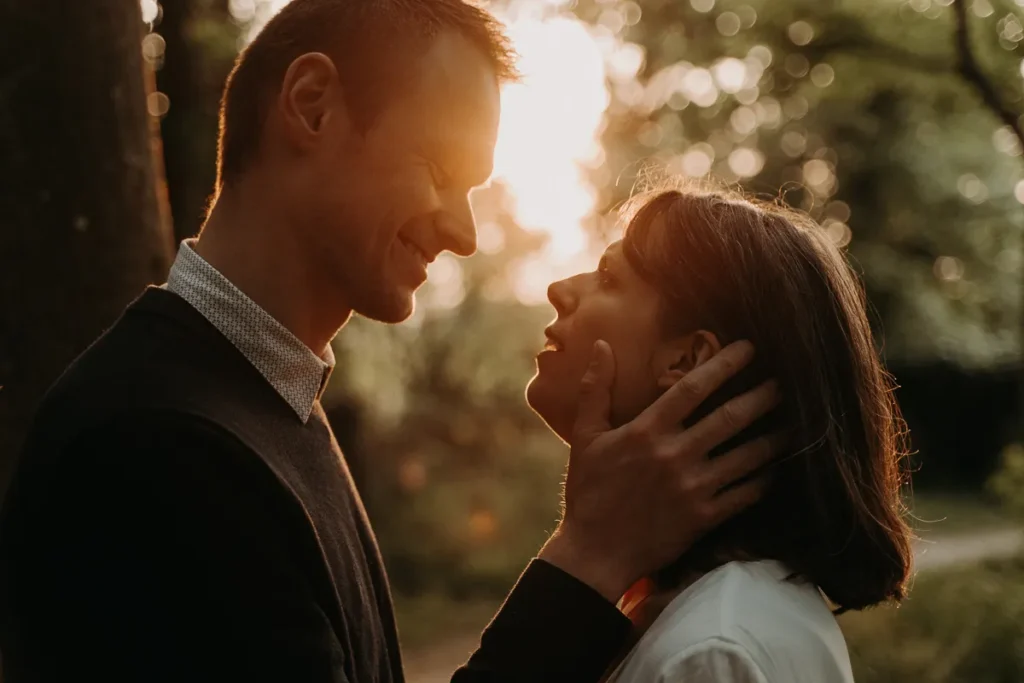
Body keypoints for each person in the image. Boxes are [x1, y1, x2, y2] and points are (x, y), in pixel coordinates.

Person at [0, 2, 785, 682]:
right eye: (443, 170)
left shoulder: (269, 401)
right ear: (312, 106)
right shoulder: (159, 442)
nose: (464, 231)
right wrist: (589, 558)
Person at [525, 185, 914, 683]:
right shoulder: (674, 614)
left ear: (688, 361)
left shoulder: (712, 655)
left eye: (608, 278)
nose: (560, 289)